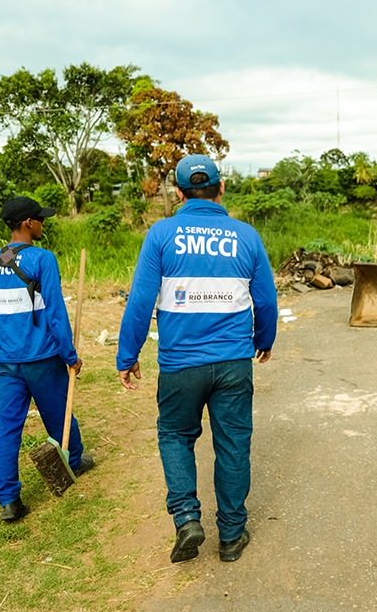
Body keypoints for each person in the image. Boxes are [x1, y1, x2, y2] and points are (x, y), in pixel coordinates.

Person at [116, 154, 278, 564]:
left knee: (174, 436)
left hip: (179, 365)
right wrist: (265, 338)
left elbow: (140, 300)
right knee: (233, 444)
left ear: (178, 192)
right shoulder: (246, 236)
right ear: (221, 188)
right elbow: (266, 300)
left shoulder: (162, 234)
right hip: (233, 363)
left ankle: (187, 517)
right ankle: (231, 535)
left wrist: (127, 353)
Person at [0, 196, 94, 523]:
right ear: (28, 223)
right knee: (59, 415)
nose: (43, 223)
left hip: (6, 363)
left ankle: (9, 500)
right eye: (40, 219)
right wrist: (70, 356)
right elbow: (55, 312)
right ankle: (73, 462)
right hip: (41, 359)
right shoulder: (43, 259)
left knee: (6, 428)